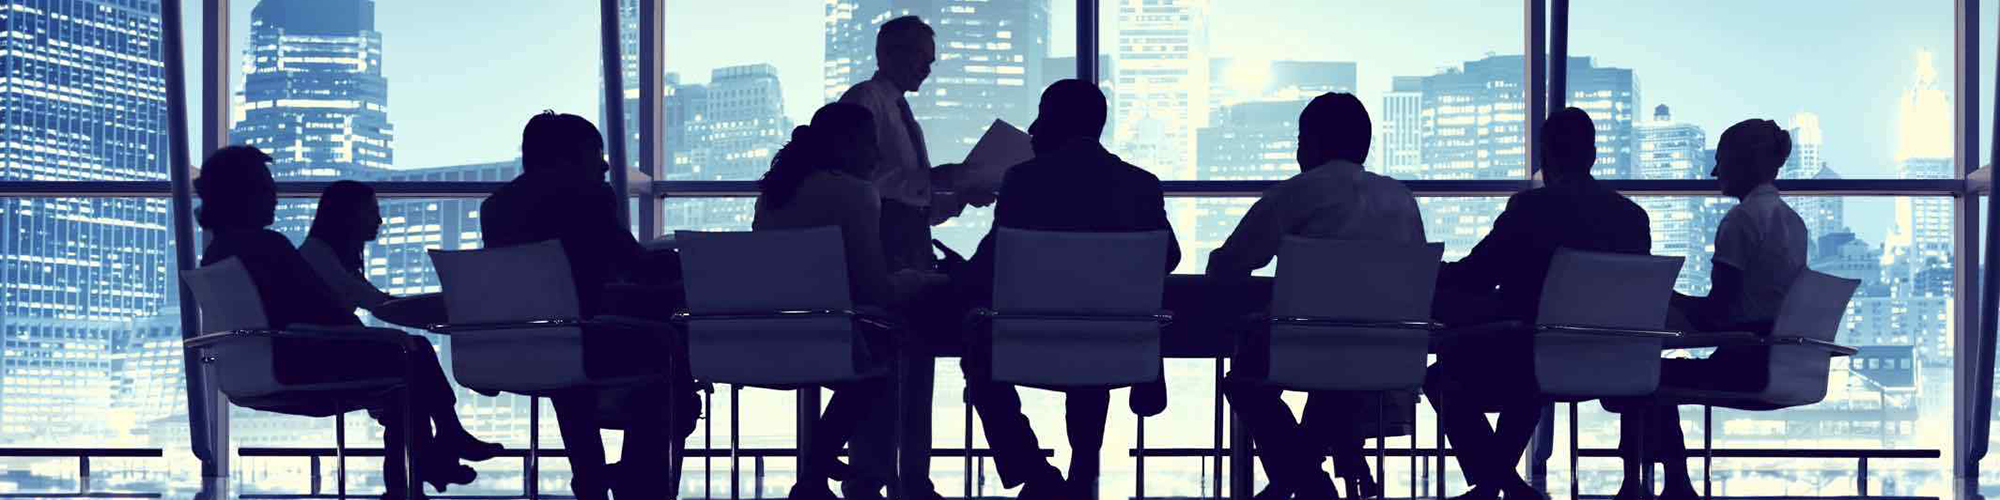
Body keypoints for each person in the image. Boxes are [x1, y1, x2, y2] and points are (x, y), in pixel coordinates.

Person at [195, 145, 488, 499]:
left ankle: (415, 476)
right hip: (297, 363)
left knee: (404, 371)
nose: (275, 195)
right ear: (238, 195)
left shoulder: (218, 251)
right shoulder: (266, 245)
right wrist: (377, 334)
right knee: (412, 356)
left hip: (263, 366)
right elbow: (320, 307)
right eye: (265, 187)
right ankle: (430, 458)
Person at [955, 79, 1180, 500]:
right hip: (1117, 345)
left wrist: (955, 275)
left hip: (1028, 341)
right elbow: (1169, 257)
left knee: (976, 345)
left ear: (1057, 123)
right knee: (1091, 337)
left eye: (1041, 117)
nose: (1033, 129)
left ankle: (1034, 472)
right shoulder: (1141, 184)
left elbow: (992, 263)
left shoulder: (1023, 180)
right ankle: (1082, 474)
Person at [1426, 108, 1652, 500]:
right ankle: (1506, 485)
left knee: (1441, 377)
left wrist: (1426, 271)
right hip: (1613, 362)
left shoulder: (1530, 209)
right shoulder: (1633, 218)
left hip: (1529, 357)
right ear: (1592, 156)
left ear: (1545, 159)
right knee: (1529, 361)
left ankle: (1498, 485)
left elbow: (1478, 275)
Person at [1212, 93, 1425, 500]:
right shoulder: (1401, 198)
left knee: (1245, 381)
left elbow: (1230, 264)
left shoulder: (1297, 193)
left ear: (1311, 143)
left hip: (1309, 347)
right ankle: (1308, 479)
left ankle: (1309, 488)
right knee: (1335, 384)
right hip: (1389, 353)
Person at [481, 112, 695, 500]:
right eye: (595, 152)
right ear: (565, 158)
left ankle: (593, 476)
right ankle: (641, 481)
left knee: (571, 357)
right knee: (669, 346)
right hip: (582, 339)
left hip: (518, 345)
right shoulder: (588, 197)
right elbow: (636, 265)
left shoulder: (496, 207)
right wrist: (694, 263)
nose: (605, 164)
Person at [1603, 119, 1804, 500]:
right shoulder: (1792, 222)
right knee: (1652, 376)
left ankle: (1641, 484)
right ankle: (1671, 482)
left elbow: (1719, 314)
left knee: (1639, 376)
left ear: (1745, 162)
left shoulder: (1741, 221)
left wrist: (1664, 297)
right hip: (1778, 359)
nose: (1714, 171)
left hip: (1743, 361)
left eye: (1721, 160)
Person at [834, 15, 967, 499]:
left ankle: (903, 476)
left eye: (930, 62)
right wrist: (940, 180)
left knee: (910, 368)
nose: (927, 71)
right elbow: (871, 184)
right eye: (920, 58)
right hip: (885, 253)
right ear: (889, 53)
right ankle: (881, 475)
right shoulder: (867, 103)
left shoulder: (895, 108)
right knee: (896, 366)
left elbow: (905, 199)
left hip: (904, 245)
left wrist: (952, 196)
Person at [749, 102, 900, 500]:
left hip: (759, 340)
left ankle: (820, 466)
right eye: (871, 144)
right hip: (827, 340)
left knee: (867, 363)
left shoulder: (774, 194)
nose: (878, 155)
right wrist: (917, 282)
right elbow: (873, 289)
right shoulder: (856, 192)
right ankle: (836, 473)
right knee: (882, 368)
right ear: (844, 146)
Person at [299, 181, 450, 329]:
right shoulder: (317, 255)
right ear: (349, 215)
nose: (379, 220)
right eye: (371, 212)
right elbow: (367, 297)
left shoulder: (327, 255)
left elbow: (374, 299)